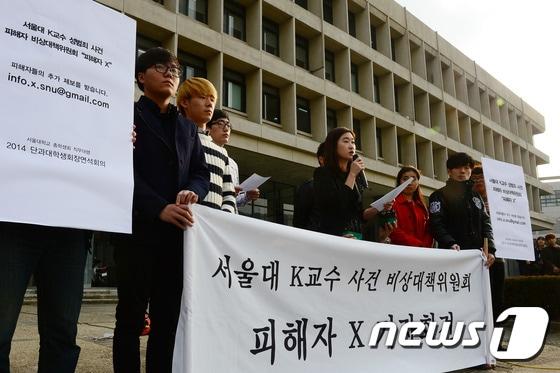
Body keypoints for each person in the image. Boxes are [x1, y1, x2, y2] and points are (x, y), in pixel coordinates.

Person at [112, 47, 210, 373]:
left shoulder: (187, 127)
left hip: (176, 237)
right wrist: (158, 207)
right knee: (130, 318)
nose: (171, 72)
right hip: (138, 232)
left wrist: (192, 191)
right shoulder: (124, 116)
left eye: (175, 69)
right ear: (141, 77)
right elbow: (119, 170)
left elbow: (200, 173)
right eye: (160, 67)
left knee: (168, 321)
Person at [176, 79, 237, 213]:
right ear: (184, 102)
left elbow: (228, 194)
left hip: (212, 226)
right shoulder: (176, 139)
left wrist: (224, 218)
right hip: (183, 217)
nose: (210, 104)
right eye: (203, 97)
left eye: (212, 99)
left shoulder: (221, 151)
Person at [313, 127, 385, 239]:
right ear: (333, 145)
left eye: (353, 142)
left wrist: (379, 207)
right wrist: (352, 174)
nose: (351, 146)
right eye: (346, 141)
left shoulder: (354, 175)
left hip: (356, 236)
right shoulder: (323, 173)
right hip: (335, 237)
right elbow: (337, 207)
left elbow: (357, 214)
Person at [429, 152, 496, 267]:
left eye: (466, 167)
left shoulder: (476, 196)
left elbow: (486, 223)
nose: (463, 171)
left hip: (478, 258)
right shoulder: (438, 195)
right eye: (458, 167)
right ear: (449, 171)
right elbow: (436, 224)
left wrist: (490, 249)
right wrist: (450, 242)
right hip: (452, 256)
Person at [205, 109, 260, 208]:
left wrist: (247, 196)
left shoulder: (232, 164)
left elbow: (234, 201)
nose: (226, 129)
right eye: (220, 124)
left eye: (228, 125)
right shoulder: (201, 153)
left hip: (228, 216)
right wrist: (226, 191)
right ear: (207, 128)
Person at [470, 165, 505, 319]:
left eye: (481, 178)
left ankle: (495, 336)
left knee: (496, 297)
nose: (478, 181)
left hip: (496, 255)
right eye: (474, 179)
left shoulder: (499, 200)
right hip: (475, 256)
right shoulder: (467, 200)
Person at [389, 165, 433, 248]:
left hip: (422, 252)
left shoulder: (422, 206)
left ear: (418, 183)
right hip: (399, 251)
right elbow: (393, 230)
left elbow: (428, 230)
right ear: (399, 182)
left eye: (413, 179)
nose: (409, 182)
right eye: (405, 179)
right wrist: (418, 244)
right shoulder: (391, 203)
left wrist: (425, 246)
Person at [293, 142, 325, 230]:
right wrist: (335, 238)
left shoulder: (348, 185)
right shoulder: (309, 188)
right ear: (322, 159)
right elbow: (300, 227)